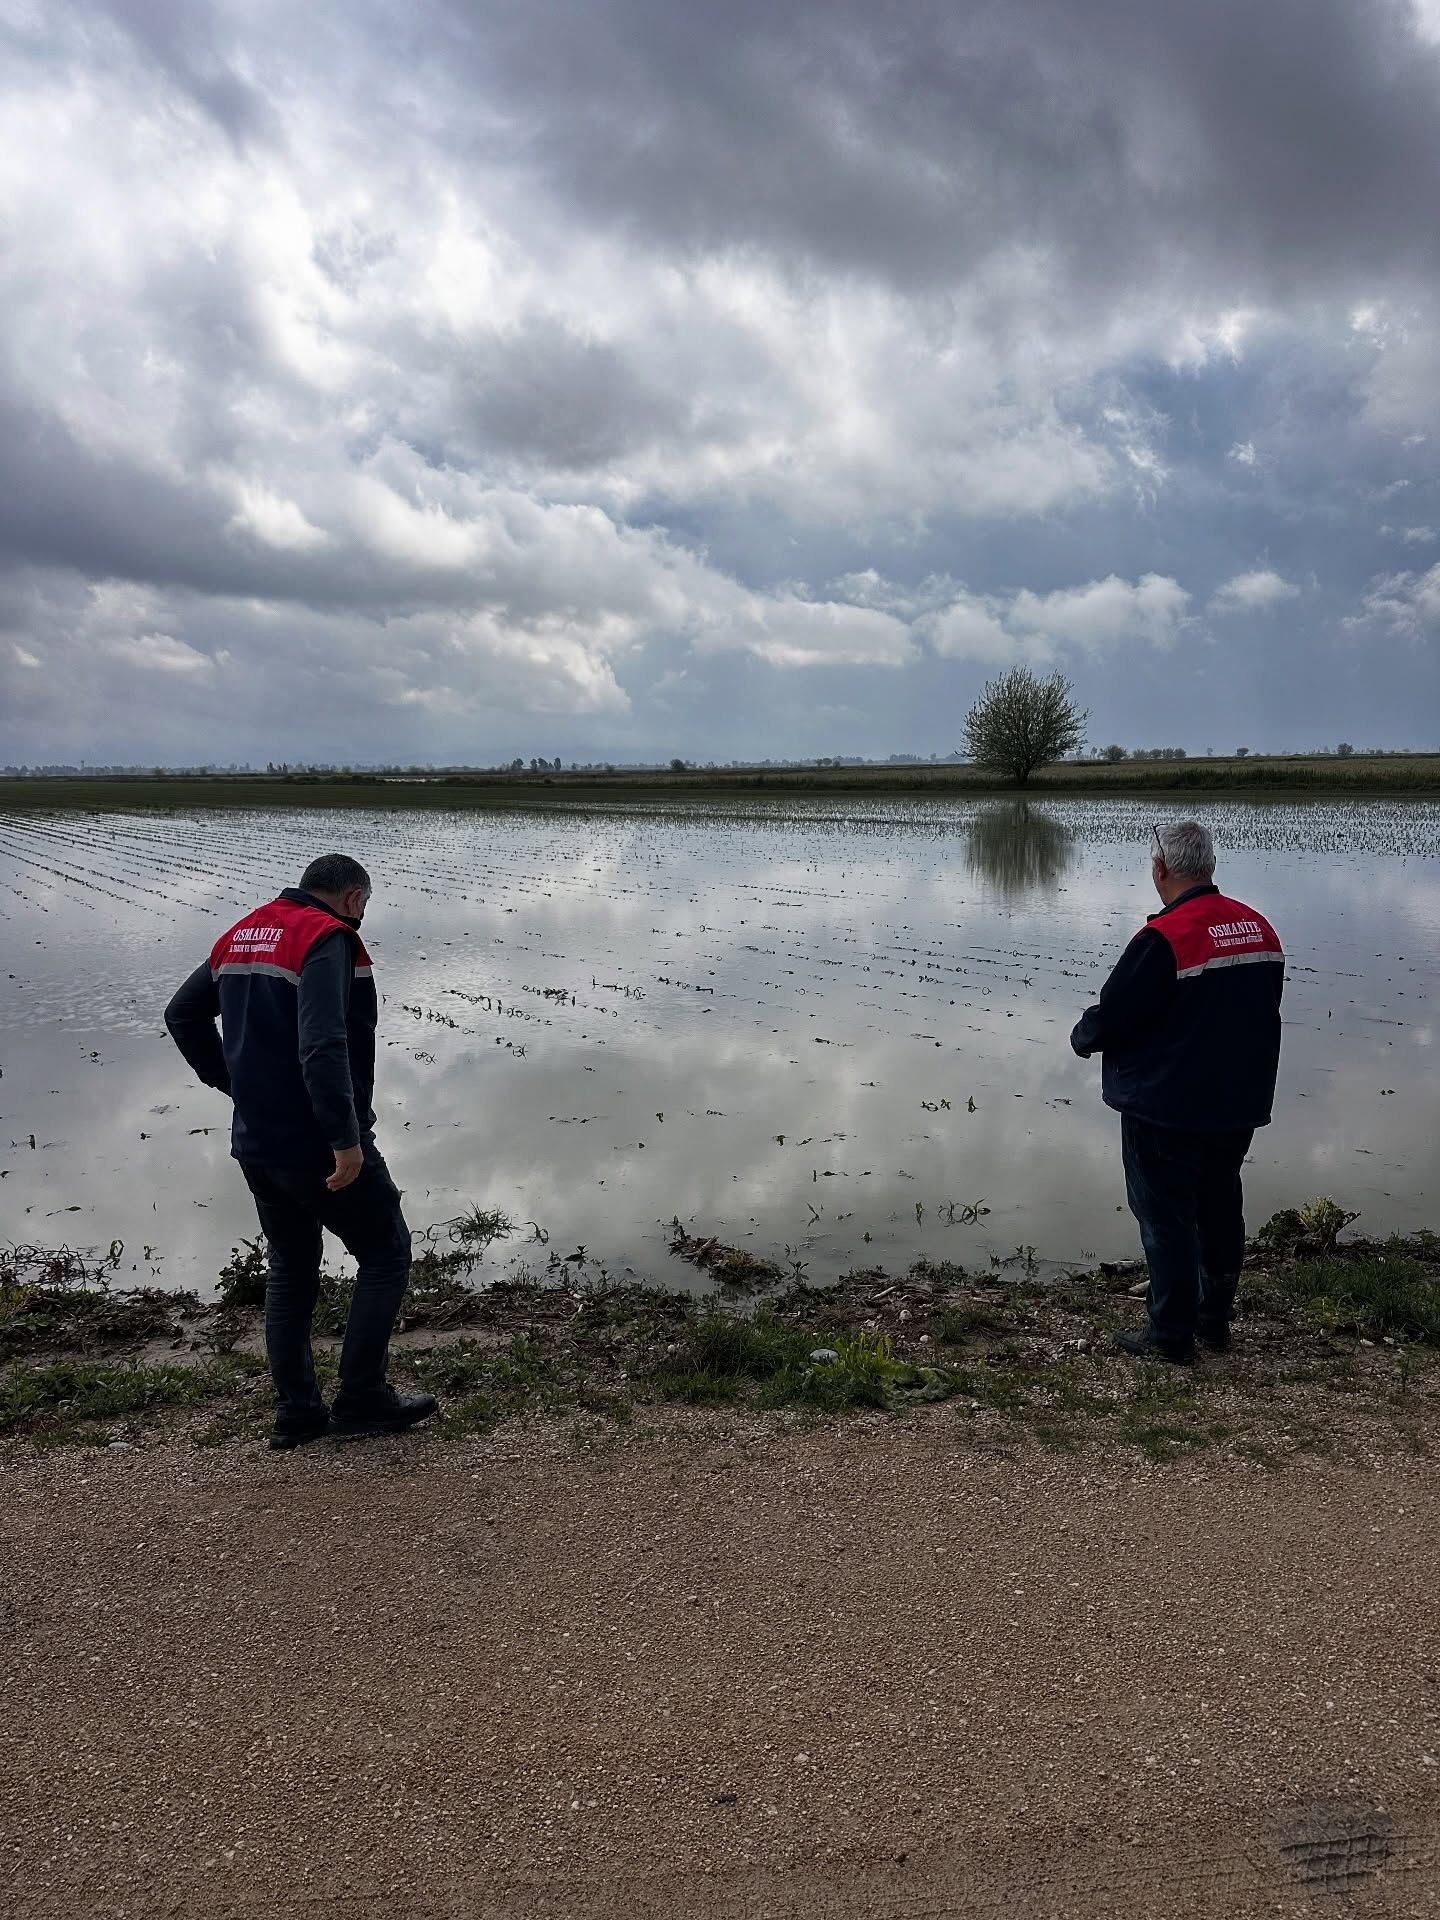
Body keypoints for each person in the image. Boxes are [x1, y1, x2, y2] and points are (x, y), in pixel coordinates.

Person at [165, 854, 438, 1447]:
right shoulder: (327, 937)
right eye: (364, 905)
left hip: (257, 1142)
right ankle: (362, 1398)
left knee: (290, 1266)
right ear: (351, 898)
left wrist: (236, 1084)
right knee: (387, 1253)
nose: (363, 915)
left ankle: (298, 1412)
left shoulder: (243, 932)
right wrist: (345, 1141)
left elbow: (181, 1014)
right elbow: (322, 1044)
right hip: (315, 1140)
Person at [1070, 821, 1284, 1363]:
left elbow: (1117, 1014)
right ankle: (1215, 1322)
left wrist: (1084, 1035)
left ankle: (1171, 1335)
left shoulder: (1165, 937)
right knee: (1218, 1206)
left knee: (1164, 1217)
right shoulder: (1259, 929)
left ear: (1160, 868)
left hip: (1167, 1107)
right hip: (1238, 1103)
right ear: (1208, 865)